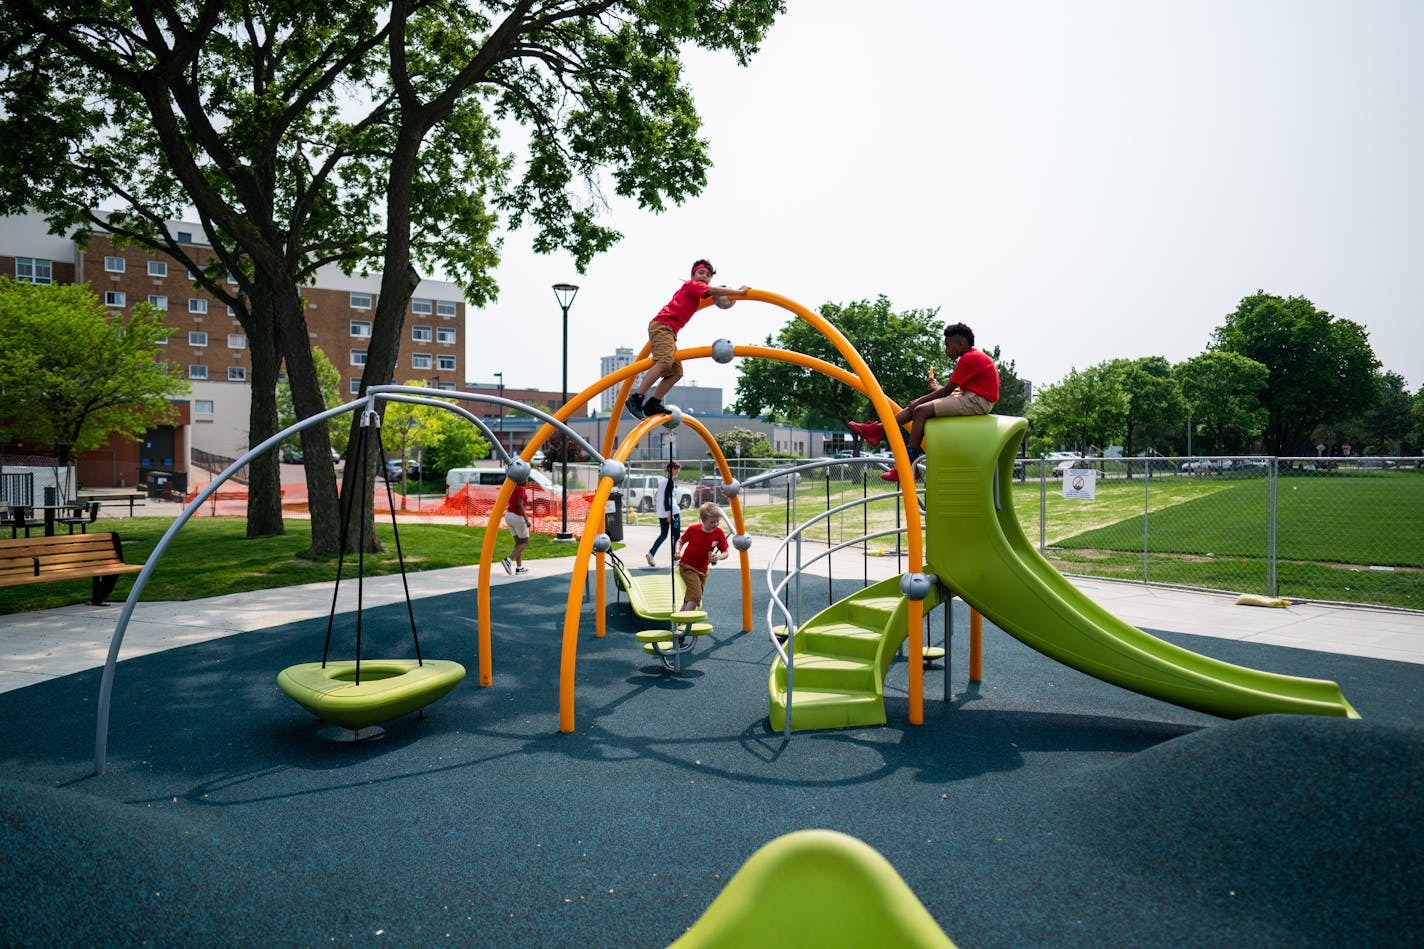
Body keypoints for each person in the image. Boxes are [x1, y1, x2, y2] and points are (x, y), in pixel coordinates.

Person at [847, 322, 1000, 482]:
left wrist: (919, 401)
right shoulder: (972, 357)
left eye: (948, 346)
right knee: (916, 408)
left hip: (978, 401)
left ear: (960, 344)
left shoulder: (970, 358)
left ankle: (908, 462)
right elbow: (953, 393)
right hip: (973, 398)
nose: (946, 350)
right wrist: (936, 387)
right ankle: (878, 430)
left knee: (920, 410)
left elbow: (948, 392)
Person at [627, 260, 749, 418]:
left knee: (676, 373)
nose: (704, 277)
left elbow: (709, 293)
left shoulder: (699, 292)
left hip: (670, 332)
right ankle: (636, 398)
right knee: (664, 363)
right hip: (662, 326)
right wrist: (739, 292)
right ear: (692, 275)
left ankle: (653, 403)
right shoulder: (692, 285)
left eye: (708, 275)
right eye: (701, 273)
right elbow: (712, 290)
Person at [674, 501, 729, 613]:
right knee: (695, 596)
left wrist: (718, 557)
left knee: (689, 599)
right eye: (712, 522)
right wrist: (678, 550)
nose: (715, 524)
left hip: (702, 571)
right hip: (687, 567)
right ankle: (685, 624)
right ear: (703, 520)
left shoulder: (718, 533)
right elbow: (680, 541)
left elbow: (726, 552)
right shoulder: (693, 529)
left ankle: (677, 624)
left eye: (717, 521)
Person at [646, 460, 683, 566]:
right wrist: (669, 513)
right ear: (672, 469)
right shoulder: (669, 481)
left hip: (662, 513)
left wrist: (663, 511)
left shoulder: (663, 480)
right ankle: (675, 559)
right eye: (676, 469)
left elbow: (656, 496)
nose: (678, 471)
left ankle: (651, 553)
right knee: (676, 537)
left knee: (664, 534)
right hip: (672, 512)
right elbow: (667, 497)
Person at [501, 479, 532, 575]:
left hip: (509, 515)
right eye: (525, 478)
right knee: (525, 542)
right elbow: (519, 505)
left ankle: (519, 567)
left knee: (518, 543)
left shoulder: (513, 488)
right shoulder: (521, 489)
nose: (527, 480)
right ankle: (508, 560)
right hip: (517, 516)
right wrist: (526, 520)